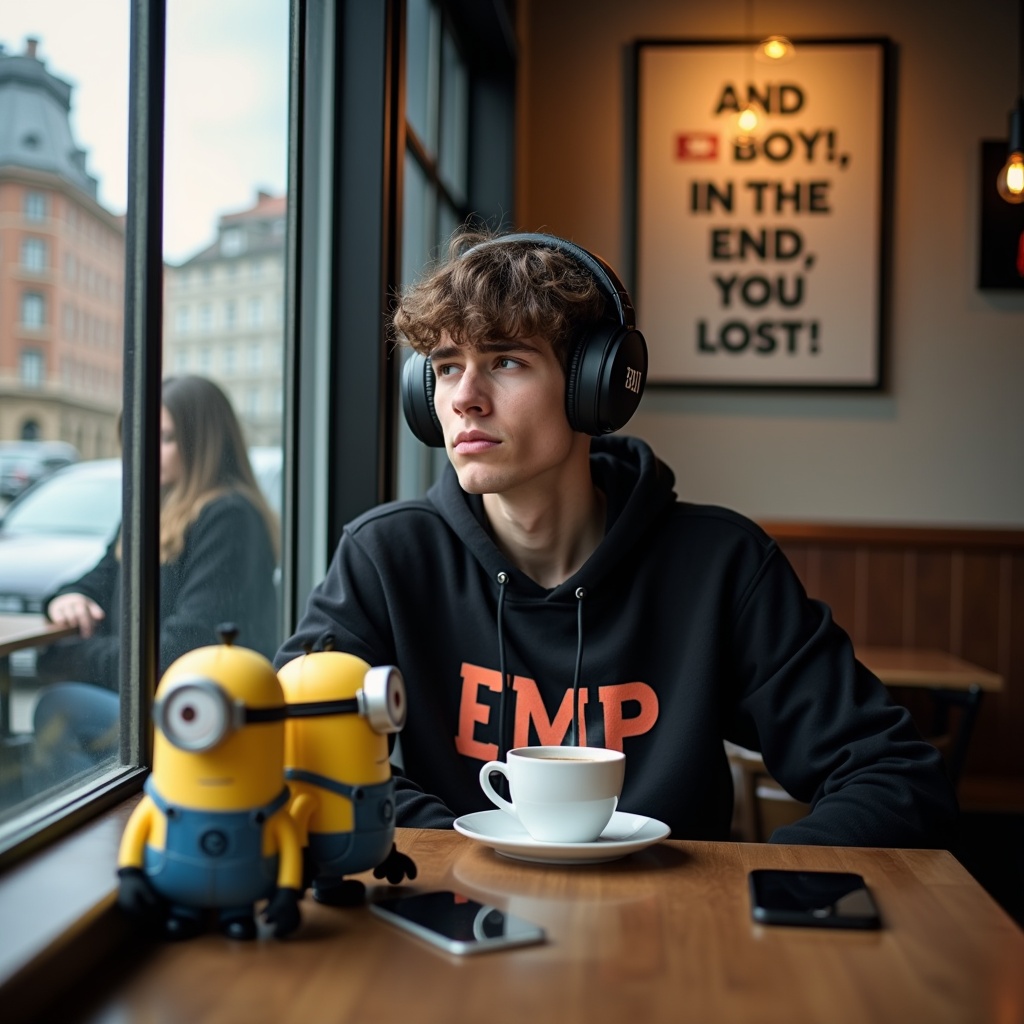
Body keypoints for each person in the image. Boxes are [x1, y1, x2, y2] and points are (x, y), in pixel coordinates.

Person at [276, 229, 958, 848]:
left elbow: (893, 774)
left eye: (506, 361)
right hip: (455, 932)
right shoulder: (385, 558)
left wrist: (748, 891)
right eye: (448, 367)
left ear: (595, 387)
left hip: (670, 946)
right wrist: (462, 856)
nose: (464, 398)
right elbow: (295, 744)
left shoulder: (720, 566)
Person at [33, 375, 280, 772]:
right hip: (168, 701)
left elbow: (178, 655)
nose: (144, 448)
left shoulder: (230, 517)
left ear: (204, 443)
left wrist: (68, 656)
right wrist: (68, 598)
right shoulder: (153, 508)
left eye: (164, 438)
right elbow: (97, 579)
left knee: (59, 707)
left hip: (207, 713)